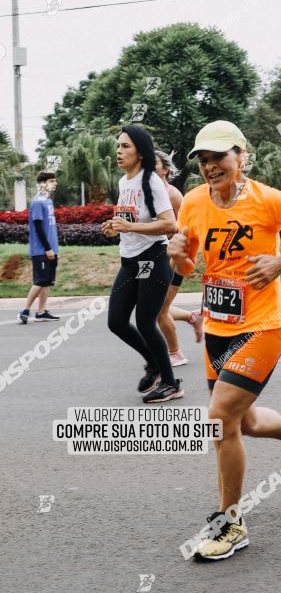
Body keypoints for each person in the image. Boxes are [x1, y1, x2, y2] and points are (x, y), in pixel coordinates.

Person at [167, 119, 281, 561]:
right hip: (219, 326)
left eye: (219, 157)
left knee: (219, 417)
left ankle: (230, 523)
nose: (210, 167)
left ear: (241, 157)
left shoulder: (269, 200)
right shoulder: (191, 204)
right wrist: (178, 255)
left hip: (263, 325)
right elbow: (191, 267)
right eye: (203, 160)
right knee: (239, 423)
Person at [101, 125, 182, 403]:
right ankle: (154, 364)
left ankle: (171, 383)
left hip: (154, 258)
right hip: (130, 261)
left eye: (125, 147)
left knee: (146, 323)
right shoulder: (124, 182)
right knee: (116, 322)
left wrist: (131, 226)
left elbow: (169, 224)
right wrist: (116, 226)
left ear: (140, 152)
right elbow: (131, 221)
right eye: (118, 146)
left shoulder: (152, 182)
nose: (119, 152)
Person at [154, 150, 199, 368]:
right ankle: (193, 318)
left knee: (158, 309)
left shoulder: (173, 194)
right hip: (153, 258)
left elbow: (188, 229)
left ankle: (176, 353)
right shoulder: (148, 192)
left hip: (173, 258)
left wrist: (178, 255)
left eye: (154, 164)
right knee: (151, 306)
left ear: (166, 169)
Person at [18, 170, 60, 324]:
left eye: (54, 181)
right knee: (40, 281)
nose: (55, 183)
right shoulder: (37, 202)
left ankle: (41, 312)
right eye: (51, 181)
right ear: (42, 184)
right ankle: (25, 310)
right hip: (41, 249)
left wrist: (55, 250)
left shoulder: (48, 201)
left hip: (51, 249)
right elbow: (38, 227)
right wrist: (48, 248)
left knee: (47, 281)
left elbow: (49, 227)